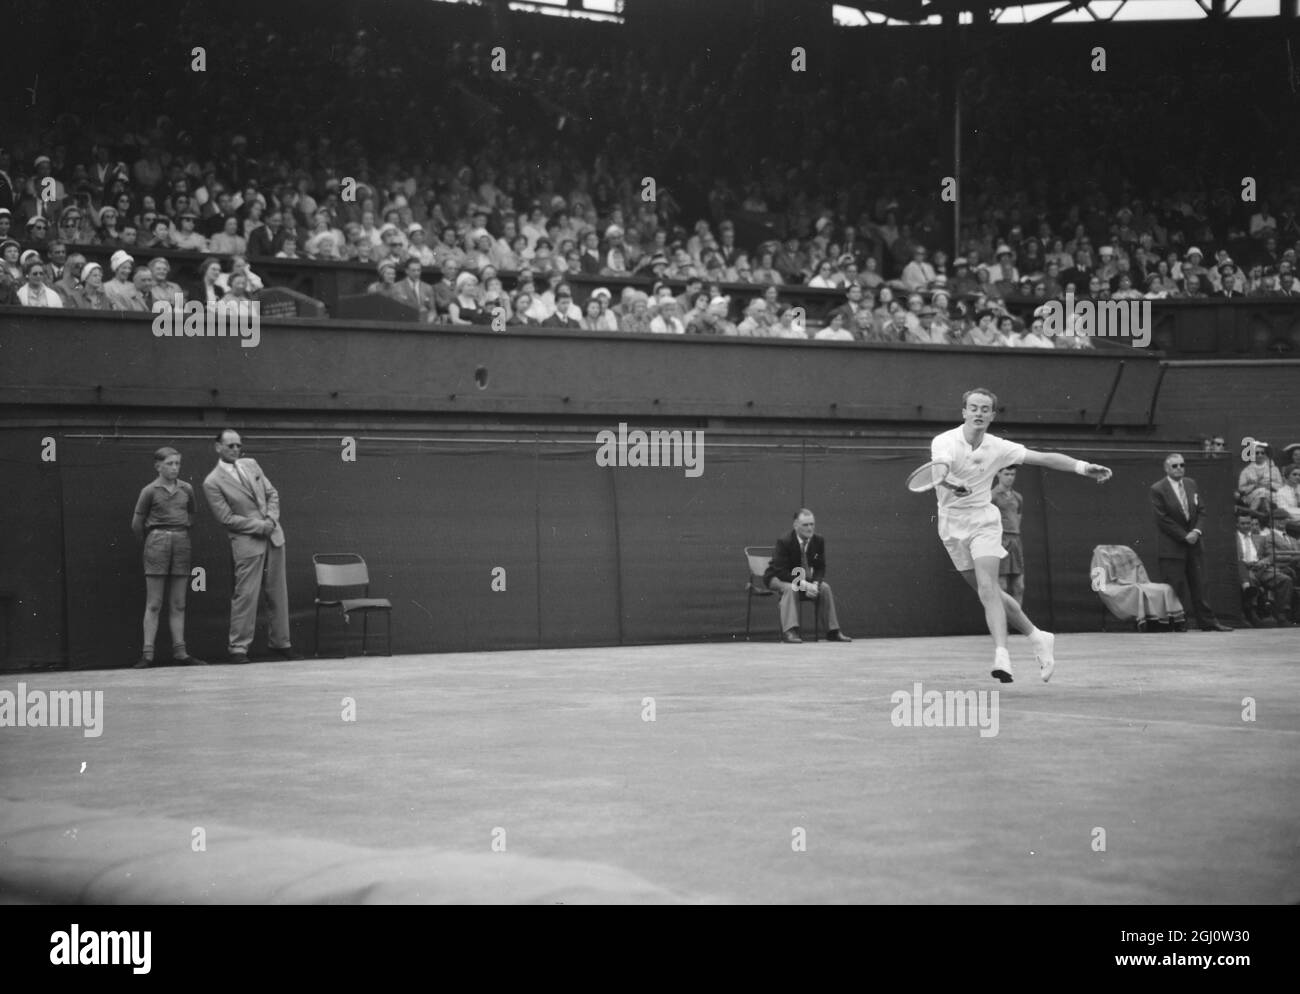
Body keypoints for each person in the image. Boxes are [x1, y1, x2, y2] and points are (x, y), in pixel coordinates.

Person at [929, 387, 1113, 682]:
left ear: (992, 415)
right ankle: (1038, 636)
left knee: (988, 587)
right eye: (973, 407)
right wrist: (952, 484)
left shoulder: (999, 447)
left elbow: (1044, 458)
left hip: (983, 520)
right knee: (988, 592)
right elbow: (941, 471)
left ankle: (1002, 655)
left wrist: (1082, 467)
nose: (978, 413)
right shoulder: (944, 441)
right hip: (951, 525)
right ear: (964, 412)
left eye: (984, 409)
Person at [202, 429, 300, 664]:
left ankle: (281, 644)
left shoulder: (252, 464)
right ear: (218, 447)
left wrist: (271, 521)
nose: (236, 449)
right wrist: (259, 526)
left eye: (238, 445)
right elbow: (226, 518)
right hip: (247, 543)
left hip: (274, 536)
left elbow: (272, 494)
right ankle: (238, 648)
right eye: (230, 446)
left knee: (278, 592)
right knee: (245, 595)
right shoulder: (212, 482)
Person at [131, 447, 207, 668]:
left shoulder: (187, 489)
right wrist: (151, 542)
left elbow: (191, 514)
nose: (174, 468)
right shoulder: (149, 491)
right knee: (154, 603)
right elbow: (136, 523)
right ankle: (147, 654)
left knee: (179, 603)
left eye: (177, 464)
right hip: (156, 543)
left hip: (181, 543)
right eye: (170, 463)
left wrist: (178, 533)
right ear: (158, 466)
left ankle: (181, 653)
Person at [1150, 452, 1233, 633]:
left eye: (1182, 465)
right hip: (1172, 547)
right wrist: (1183, 535)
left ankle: (1208, 622)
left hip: (1194, 545)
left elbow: (1201, 511)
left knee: (1200, 585)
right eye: (1175, 466)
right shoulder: (1158, 489)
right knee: (1175, 587)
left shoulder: (1191, 483)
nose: (1179, 468)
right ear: (1166, 468)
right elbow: (1162, 519)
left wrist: (1196, 531)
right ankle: (1178, 623)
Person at [762, 509, 852, 644]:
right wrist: (804, 584)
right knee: (791, 588)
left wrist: (815, 584)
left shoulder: (818, 541)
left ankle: (832, 632)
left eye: (812, 524)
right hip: (777, 578)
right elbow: (781, 571)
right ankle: (790, 632)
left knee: (825, 588)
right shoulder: (784, 541)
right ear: (796, 525)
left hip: (802, 580)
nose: (810, 528)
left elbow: (820, 567)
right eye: (806, 525)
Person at [1235, 511, 1294, 627]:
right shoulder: (1232, 538)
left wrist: (1264, 562)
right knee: (1249, 578)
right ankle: (1252, 613)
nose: (1246, 526)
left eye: (1248, 523)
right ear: (1237, 524)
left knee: (1284, 579)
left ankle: (1281, 614)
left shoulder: (1260, 538)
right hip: (1243, 568)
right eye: (1243, 523)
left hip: (1260, 568)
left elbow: (1270, 555)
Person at [991, 466, 1025, 605]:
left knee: (1019, 586)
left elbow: (1018, 518)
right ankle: (1002, 623)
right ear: (998, 474)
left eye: (1013, 474)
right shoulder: (992, 496)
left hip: (1016, 542)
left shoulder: (1018, 497)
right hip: (1000, 542)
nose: (1010, 477)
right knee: (1002, 586)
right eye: (1006, 474)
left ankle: (1017, 625)